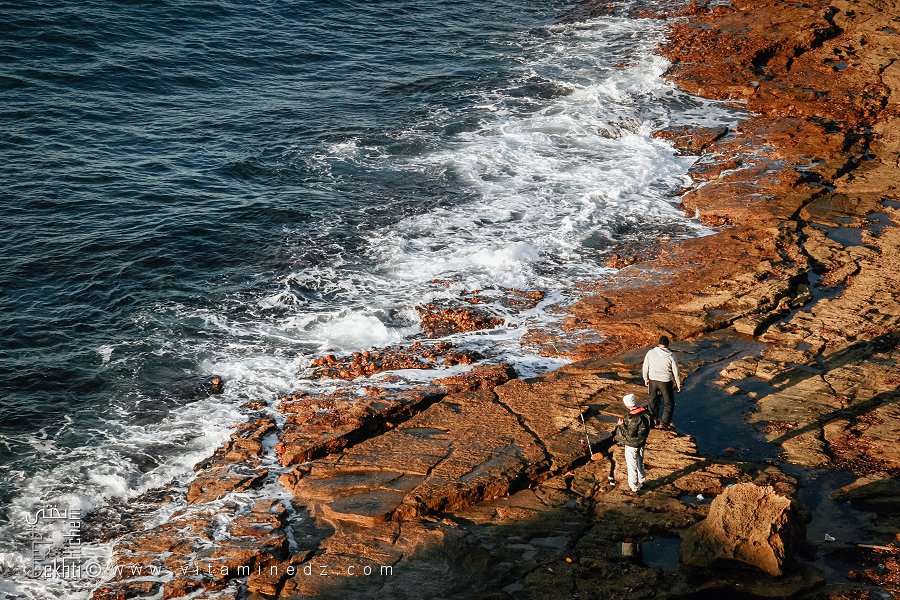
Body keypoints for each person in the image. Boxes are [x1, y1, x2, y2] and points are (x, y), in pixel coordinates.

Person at [612, 393, 654, 495]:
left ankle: (634, 488)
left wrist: (621, 425)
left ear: (627, 405)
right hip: (642, 442)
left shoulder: (631, 418)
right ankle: (642, 481)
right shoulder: (646, 412)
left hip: (632, 444)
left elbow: (630, 434)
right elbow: (651, 425)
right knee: (640, 462)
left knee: (632, 466)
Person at [642, 335, 681, 430]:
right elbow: (676, 371)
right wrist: (678, 384)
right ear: (667, 345)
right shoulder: (671, 355)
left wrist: (645, 379)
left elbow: (645, 367)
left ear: (658, 344)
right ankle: (664, 424)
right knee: (669, 403)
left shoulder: (650, 352)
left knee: (652, 402)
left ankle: (653, 421)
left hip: (653, 381)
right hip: (665, 382)